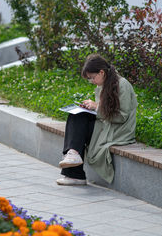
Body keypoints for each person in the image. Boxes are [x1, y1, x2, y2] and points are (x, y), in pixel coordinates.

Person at [56, 54, 138, 185]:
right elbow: (104, 112)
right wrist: (91, 109)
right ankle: (73, 157)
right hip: (106, 124)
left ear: (102, 72)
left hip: (118, 130)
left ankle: (75, 173)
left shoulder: (123, 85)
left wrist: (96, 107)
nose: (92, 81)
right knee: (76, 115)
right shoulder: (103, 85)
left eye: (92, 78)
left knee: (79, 122)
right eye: (90, 79)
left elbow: (122, 117)